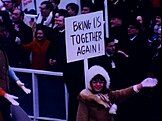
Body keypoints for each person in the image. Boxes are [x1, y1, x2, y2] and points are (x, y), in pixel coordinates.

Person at [76, 65, 158, 121]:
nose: (98, 85)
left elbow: (122, 93)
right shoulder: (85, 99)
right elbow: (81, 119)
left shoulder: (108, 94)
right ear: (90, 82)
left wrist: (140, 85)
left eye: (101, 82)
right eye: (95, 82)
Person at [0, 39, 31, 121]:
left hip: (4, 94)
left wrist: (17, 81)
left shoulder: (2, 50)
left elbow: (6, 67)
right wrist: (4, 94)